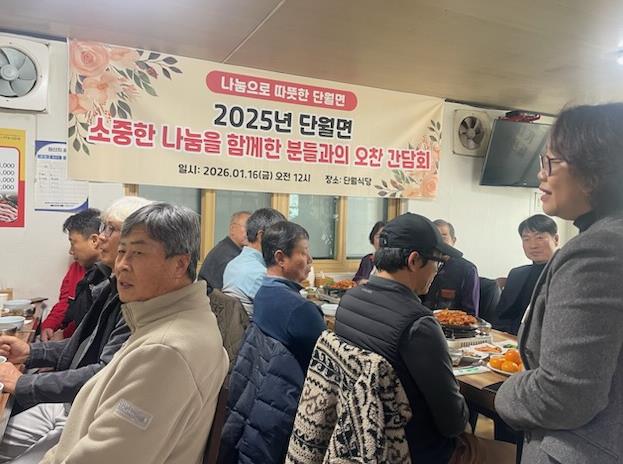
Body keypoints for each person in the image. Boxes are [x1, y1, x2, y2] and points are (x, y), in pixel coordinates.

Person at [40, 202, 228, 464]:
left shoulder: (166, 351)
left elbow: (104, 458)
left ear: (180, 264)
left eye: (138, 253)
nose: (122, 266)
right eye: (122, 252)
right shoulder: (158, 319)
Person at [495, 103, 623, 463]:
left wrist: (506, 392)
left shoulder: (597, 250)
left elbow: (565, 394)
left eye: (551, 162)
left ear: (593, 171)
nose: (540, 174)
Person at [0, 196, 151, 463]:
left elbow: (103, 374)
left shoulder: (139, 299)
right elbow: (83, 342)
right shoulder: (108, 281)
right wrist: (30, 352)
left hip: (89, 411)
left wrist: (24, 382)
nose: (100, 237)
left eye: (110, 229)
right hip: (71, 402)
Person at [335, 213, 469, 463]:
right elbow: (453, 422)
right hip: (410, 449)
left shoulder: (349, 300)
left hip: (357, 434)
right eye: (437, 263)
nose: (436, 271)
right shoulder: (418, 324)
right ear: (414, 260)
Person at [253, 221, 326, 370]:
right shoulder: (301, 309)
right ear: (280, 258)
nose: (310, 259)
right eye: (304, 253)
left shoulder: (262, 292)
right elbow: (326, 362)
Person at [40, 208, 102, 341]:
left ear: (94, 240)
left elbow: (90, 319)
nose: (71, 251)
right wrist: (49, 326)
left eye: (73, 243)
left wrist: (64, 335)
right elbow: (65, 302)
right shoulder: (76, 268)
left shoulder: (108, 275)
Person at [494, 214, 558, 335]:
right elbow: (500, 318)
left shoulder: (565, 275)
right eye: (526, 239)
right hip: (510, 339)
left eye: (539, 237)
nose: (533, 245)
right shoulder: (516, 274)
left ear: (556, 239)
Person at [223, 207, 286, 316]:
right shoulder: (259, 274)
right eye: (278, 238)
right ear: (261, 236)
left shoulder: (233, 264)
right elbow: (285, 311)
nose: (281, 244)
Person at [423, 219, 480, 315]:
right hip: (423, 319)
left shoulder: (467, 269)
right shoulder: (422, 264)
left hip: (452, 322)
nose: (439, 242)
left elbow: (471, 313)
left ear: (453, 241)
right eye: (435, 238)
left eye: (443, 237)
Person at [198, 210, 251, 292]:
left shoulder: (230, 249)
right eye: (247, 227)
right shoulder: (226, 255)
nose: (250, 232)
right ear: (232, 229)